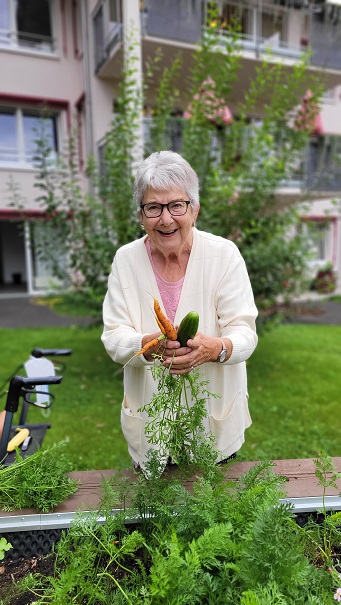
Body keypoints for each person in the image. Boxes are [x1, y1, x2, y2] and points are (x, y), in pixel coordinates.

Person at [101, 150, 258, 472]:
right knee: (154, 517)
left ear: (195, 209)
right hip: (151, 424)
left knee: (214, 511)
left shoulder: (224, 255)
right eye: (153, 207)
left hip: (213, 420)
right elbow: (114, 336)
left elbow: (245, 333)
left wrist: (218, 348)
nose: (166, 218)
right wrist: (147, 344)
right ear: (141, 215)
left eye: (176, 205)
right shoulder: (125, 260)